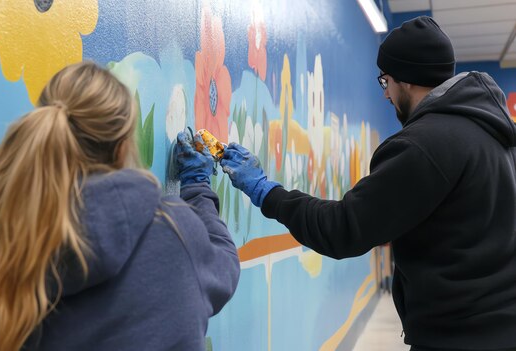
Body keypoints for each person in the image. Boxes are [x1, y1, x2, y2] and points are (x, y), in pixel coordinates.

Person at [220, 16, 516, 351]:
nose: (386, 94)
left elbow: (342, 228)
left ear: (405, 80)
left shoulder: (424, 145)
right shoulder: (493, 135)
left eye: (385, 81)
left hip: (460, 338)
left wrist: (265, 191)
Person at [0, 61, 240, 351]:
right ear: (121, 148)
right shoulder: (174, 231)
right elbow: (225, 264)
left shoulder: (13, 240)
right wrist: (197, 187)